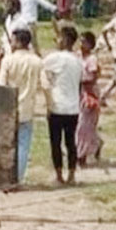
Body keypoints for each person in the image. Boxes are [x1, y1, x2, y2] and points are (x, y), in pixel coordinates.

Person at [0, 28, 43, 185]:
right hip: (27, 109)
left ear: (18, 42)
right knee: (23, 145)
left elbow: (1, 86)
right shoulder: (36, 61)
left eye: (12, 40)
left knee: (7, 145)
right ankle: (17, 178)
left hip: (9, 108)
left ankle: (5, 177)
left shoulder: (7, 61)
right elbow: (45, 84)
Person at [41, 26, 82, 184]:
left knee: (56, 142)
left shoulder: (56, 58)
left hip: (57, 106)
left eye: (58, 38)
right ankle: (72, 174)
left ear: (64, 40)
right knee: (71, 142)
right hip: (73, 108)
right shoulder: (77, 61)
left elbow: (41, 66)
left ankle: (59, 175)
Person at [75, 32, 102, 166]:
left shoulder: (92, 59)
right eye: (80, 41)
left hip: (89, 92)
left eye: (84, 42)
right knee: (81, 124)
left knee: (83, 125)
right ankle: (96, 143)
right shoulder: (77, 56)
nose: (81, 44)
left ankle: (81, 154)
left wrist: (86, 87)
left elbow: (94, 76)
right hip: (77, 92)